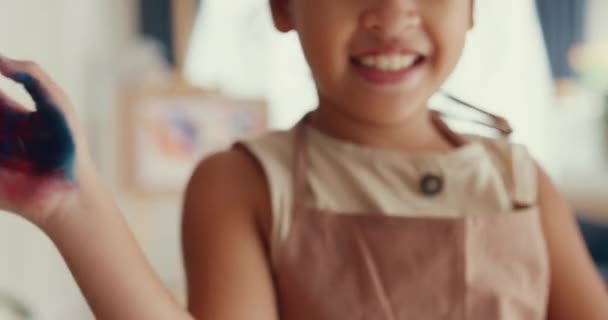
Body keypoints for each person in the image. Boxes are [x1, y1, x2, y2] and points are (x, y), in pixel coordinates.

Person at [0, 0, 607, 319]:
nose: (393, 12)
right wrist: (71, 206)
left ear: (474, 7)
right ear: (282, 6)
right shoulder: (242, 185)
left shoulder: (522, 182)